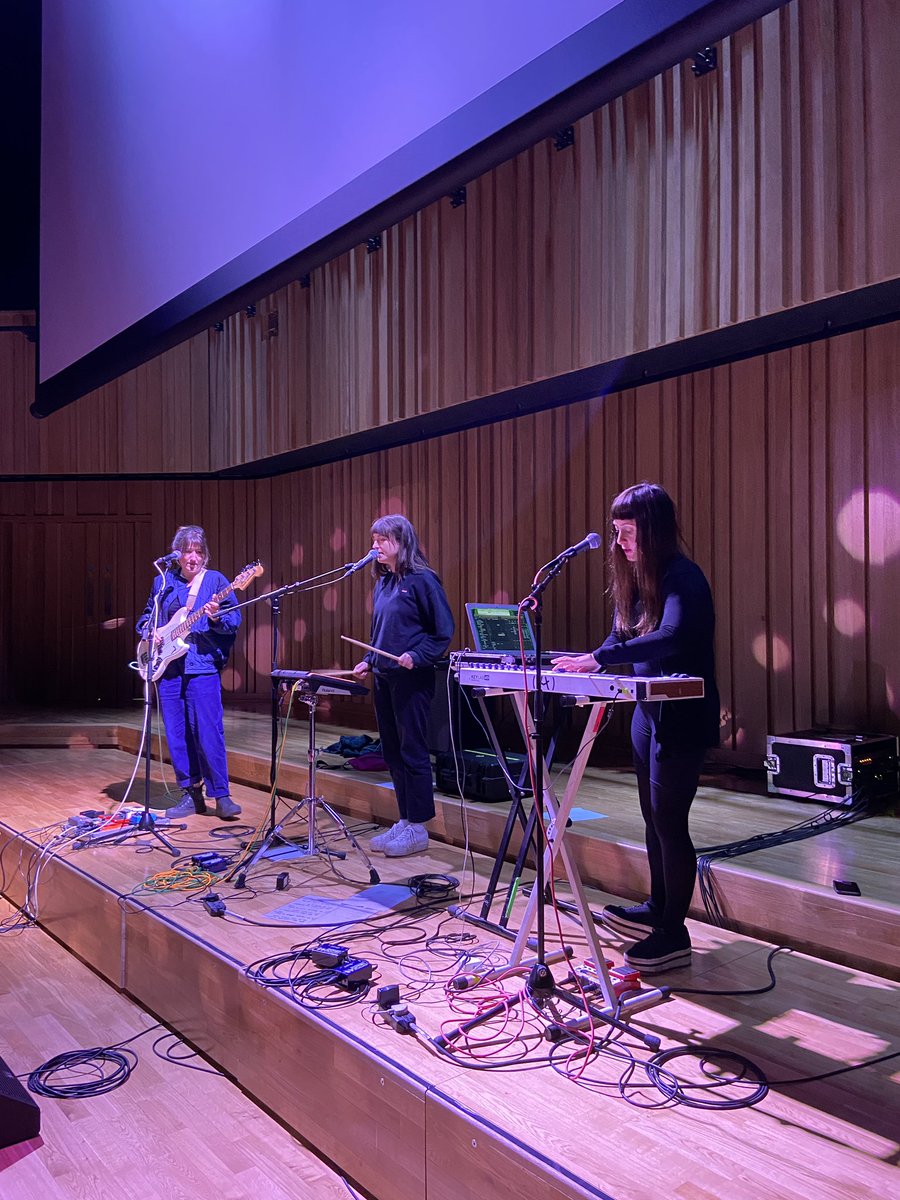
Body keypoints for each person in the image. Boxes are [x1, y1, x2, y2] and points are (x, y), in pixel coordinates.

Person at [553, 483, 719, 973]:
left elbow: (670, 637)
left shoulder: (682, 577)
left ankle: (674, 933)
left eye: (627, 533)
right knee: (652, 819)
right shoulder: (637, 580)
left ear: (652, 531)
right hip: (648, 715)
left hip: (683, 717)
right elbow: (619, 635)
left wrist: (601, 659)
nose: (620, 543)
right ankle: (658, 907)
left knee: (671, 823)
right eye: (617, 533)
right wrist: (592, 661)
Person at [352, 515, 454, 858]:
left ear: (402, 541)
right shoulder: (383, 582)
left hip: (412, 678)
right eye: (374, 538)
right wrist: (369, 659)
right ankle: (405, 817)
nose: (375, 545)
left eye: (382, 539)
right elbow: (380, 633)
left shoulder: (423, 580)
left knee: (412, 751)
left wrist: (416, 654)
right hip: (384, 676)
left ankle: (419, 825)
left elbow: (442, 632)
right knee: (391, 752)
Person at [137, 525, 242, 821]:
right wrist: (152, 631)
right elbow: (147, 616)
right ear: (178, 555)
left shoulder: (216, 581)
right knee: (177, 732)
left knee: (208, 729)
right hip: (168, 668)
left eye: (198, 552)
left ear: (205, 555)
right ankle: (190, 793)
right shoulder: (164, 582)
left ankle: (221, 795)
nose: (192, 557)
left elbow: (233, 621)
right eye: (187, 552)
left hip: (202, 666)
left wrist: (215, 617)